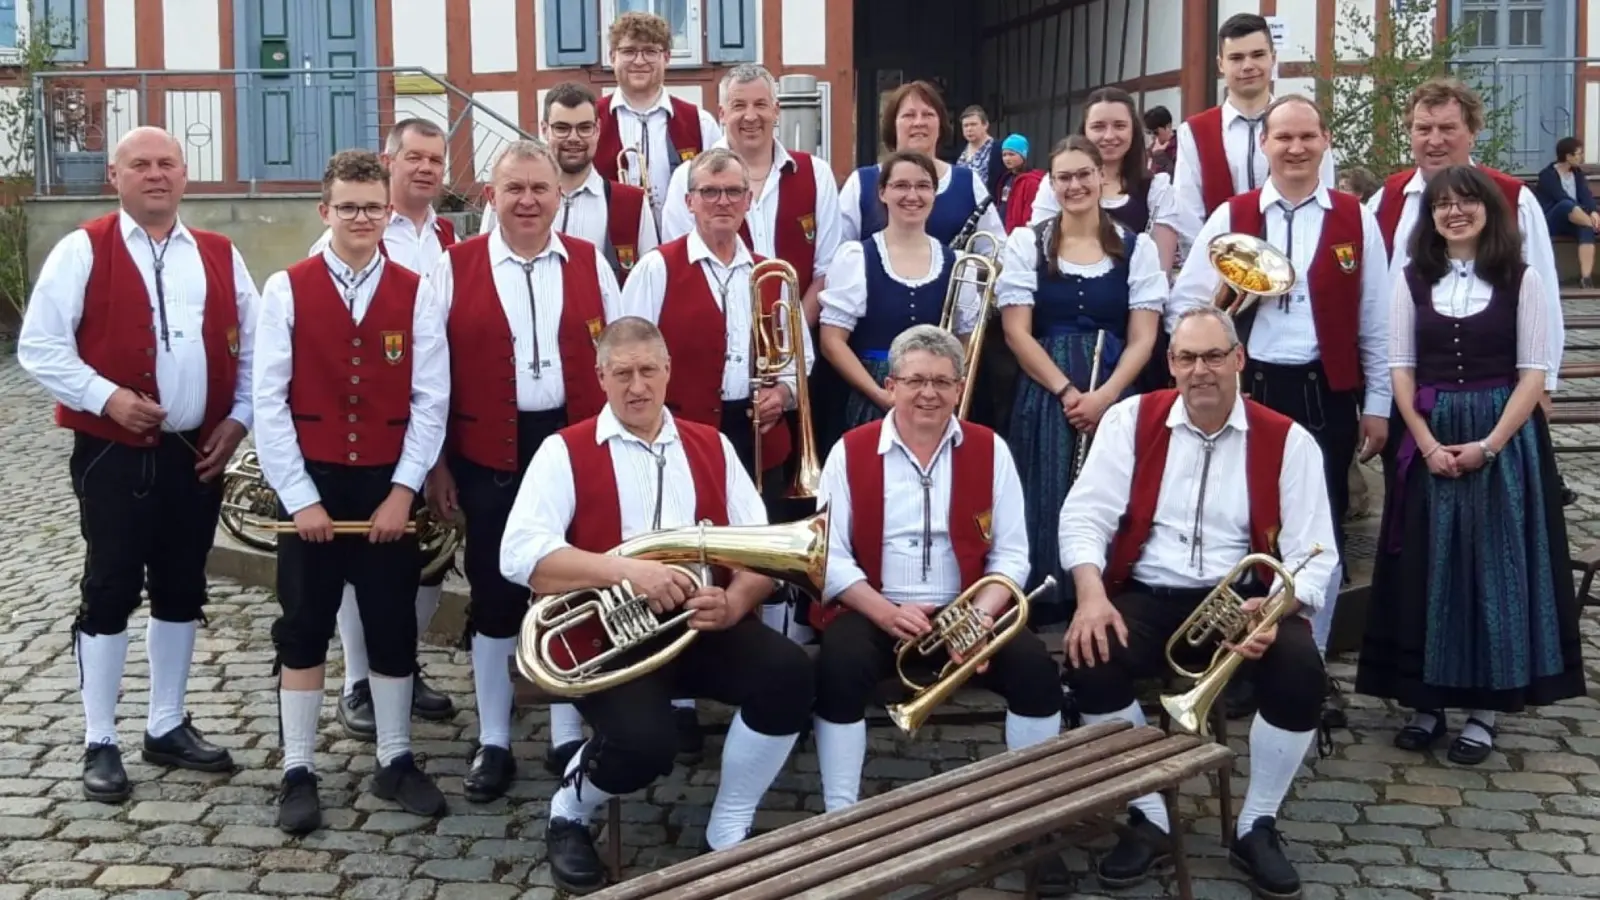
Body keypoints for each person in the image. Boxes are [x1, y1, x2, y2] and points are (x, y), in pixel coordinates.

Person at [500, 316, 813, 894]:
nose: (637, 386)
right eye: (622, 373)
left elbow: (761, 555)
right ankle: (569, 809)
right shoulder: (562, 451)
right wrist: (627, 571)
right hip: (603, 637)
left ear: (668, 372)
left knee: (791, 676)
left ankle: (727, 829)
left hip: (698, 624)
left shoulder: (712, 445)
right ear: (600, 377)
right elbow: (520, 558)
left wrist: (737, 599)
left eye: (648, 370)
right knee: (647, 745)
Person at [1058, 306, 1338, 900]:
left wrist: (1274, 610)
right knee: (1088, 655)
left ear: (1239, 359)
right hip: (1148, 591)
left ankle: (1256, 822)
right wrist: (1088, 594)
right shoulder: (1131, 419)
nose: (1200, 370)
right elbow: (1084, 515)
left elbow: (1316, 557)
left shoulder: (1291, 441)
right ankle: (1151, 815)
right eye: (1186, 358)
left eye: (1214, 356)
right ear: (1171, 365)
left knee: (1299, 669)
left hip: (1241, 602)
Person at [18, 126, 256, 802]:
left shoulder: (218, 253)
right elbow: (40, 347)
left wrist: (237, 421)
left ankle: (167, 723)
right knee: (112, 587)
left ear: (185, 177)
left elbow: (260, 347)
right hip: (112, 454)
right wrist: (108, 397)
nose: (156, 175)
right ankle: (100, 739)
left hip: (196, 453)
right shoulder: (82, 249)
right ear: (116, 176)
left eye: (168, 164)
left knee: (183, 587)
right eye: (141, 165)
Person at [1357, 165, 1586, 763]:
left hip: (1501, 438)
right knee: (1428, 568)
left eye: (1466, 203)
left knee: (1492, 569)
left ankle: (1485, 709)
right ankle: (1426, 702)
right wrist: (1426, 443)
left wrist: (1489, 444)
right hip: (1429, 435)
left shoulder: (1522, 278)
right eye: (1441, 206)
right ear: (1430, 218)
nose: (1454, 212)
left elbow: (1534, 372)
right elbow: (1400, 367)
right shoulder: (1411, 279)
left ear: (1488, 210)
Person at [253, 150, 450, 834]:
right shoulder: (286, 287)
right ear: (325, 211)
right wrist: (300, 495)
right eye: (348, 206)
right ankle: (298, 768)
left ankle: (396, 757)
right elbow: (268, 401)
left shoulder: (416, 288)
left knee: (392, 621)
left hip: (385, 485)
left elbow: (432, 400)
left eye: (372, 206)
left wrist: (404, 490)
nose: (361, 217)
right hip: (314, 479)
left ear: (388, 212)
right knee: (304, 625)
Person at [424, 139, 623, 802]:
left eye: (540, 189)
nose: (529, 201)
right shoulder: (454, 266)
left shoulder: (591, 264)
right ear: (491, 196)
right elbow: (433, 377)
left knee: (573, 590)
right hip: (489, 450)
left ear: (559, 196)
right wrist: (439, 465)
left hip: (573, 447)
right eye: (515, 189)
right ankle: (494, 739)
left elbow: (618, 360)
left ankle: (568, 732)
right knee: (495, 592)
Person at [1167, 96, 1389, 672]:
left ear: (1325, 142)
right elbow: (1183, 308)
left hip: (1325, 391)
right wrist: (1221, 307)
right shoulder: (1231, 216)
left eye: (1306, 137)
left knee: (1321, 529)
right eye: (1283, 138)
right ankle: (1235, 661)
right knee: (1244, 524)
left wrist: (1379, 405)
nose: (1295, 148)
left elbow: (1377, 319)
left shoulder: (1354, 217)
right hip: (1251, 386)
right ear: (1263, 144)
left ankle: (1305, 663)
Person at [307, 119, 458, 742]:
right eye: (414, 157)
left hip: (429, 408)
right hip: (365, 423)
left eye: (435, 159)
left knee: (423, 558)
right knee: (359, 555)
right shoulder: (353, 229)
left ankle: (402, 663)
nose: (425, 168)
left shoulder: (447, 233)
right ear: (387, 161)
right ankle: (356, 682)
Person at [1000, 136, 1164, 608]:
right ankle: (1048, 608)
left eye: (1083, 175)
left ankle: (1110, 603)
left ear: (1101, 177)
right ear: (1051, 184)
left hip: (1114, 389)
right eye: (1064, 177)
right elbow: (1017, 333)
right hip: (1048, 393)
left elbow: (1144, 338)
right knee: (1046, 497)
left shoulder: (1138, 247)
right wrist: (1069, 391)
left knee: (1112, 498)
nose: (1075, 185)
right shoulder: (1028, 243)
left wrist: (1104, 396)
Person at [1368, 78, 1564, 395]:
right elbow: (1373, 301)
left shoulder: (1514, 199)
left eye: (1447, 129)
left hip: (1493, 389)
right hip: (1402, 387)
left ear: (1472, 133)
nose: (1435, 140)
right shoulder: (1385, 200)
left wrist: (1545, 385)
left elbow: (1545, 301)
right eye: (1423, 129)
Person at [661, 64, 842, 321]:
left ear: (776, 110)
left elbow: (827, 270)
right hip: (717, 337)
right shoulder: (688, 176)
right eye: (738, 106)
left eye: (760, 104)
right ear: (722, 114)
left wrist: (791, 335)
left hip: (797, 345)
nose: (750, 116)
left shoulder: (816, 173)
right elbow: (682, 265)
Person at [1158, 14, 1338, 266]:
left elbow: (1324, 196)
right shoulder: (1194, 132)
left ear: (1273, 58)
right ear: (1221, 64)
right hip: (1221, 274)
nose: (1248, 66)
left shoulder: (1307, 123)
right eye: (1236, 58)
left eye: (1257, 55)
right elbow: (1188, 215)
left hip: (1297, 266)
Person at [820, 151, 968, 436]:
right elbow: (832, 342)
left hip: (933, 401)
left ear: (935, 194)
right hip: (872, 399)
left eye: (923, 186)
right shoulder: (856, 257)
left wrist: (941, 389)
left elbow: (963, 340)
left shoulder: (956, 263)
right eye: (901, 185)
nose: (912, 195)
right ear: (882, 192)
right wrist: (881, 394)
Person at [477, 82, 659, 286]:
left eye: (584, 128)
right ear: (545, 129)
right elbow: (484, 267)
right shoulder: (509, 199)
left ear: (597, 129)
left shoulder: (632, 203)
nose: (574, 138)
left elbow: (648, 282)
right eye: (562, 128)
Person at [590, 11, 722, 226]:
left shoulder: (701, 123)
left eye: (650, 51)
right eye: (629, 51)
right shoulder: (590, 120)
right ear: (612, 57)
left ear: (667, 58)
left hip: (683, 248)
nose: (639, 61)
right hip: (611, 249)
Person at [839, 81, 1005, 246]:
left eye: (928, 115)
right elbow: (837, 251)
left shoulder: (968, 182)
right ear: (893, 124)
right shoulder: (861, 183)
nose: (919, 122)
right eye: (909, 115)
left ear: (940, 124)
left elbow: (996, 250)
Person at [1031, 89, 1178, 270]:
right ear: (1084, 130)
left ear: (1133, 131)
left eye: (1119, 126)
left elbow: (1160, 269)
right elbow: (1039, 249)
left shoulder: (1156, 189)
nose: (1109, 136)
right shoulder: (1055, 184)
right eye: (1098, 127)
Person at [1535, 136, 1596, 289]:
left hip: (1575, 219)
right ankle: (1594, 225)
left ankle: (1586, 278)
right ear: (1568, 156)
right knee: (1565, 204)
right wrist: (1587, 215)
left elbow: (1586, 196)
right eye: (1578, 154)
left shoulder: (1577, 174)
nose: (1581, 157)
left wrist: (1594, 212)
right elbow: (1559, 196)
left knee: (1586, 229)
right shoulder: (1547, 175)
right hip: (1551, 221)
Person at [987, 134, 1043, 232]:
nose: (1007, 158)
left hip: (1016, 234)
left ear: (1023, 155)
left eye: (1012, 154)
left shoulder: (1031, 182)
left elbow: (1029, 213)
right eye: (1004, 155)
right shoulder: (1006, 178)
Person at [956, 105, 996, 184]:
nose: (969, 129)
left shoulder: (997, 149)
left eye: (973, 124)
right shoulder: (962, 151)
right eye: (965, 126)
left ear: (985, 125)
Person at [1144, 106, 1175, 178]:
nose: (1152, 136)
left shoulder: (1179, 148)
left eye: (1155, 132)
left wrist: (1159, 155)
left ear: (1168, 127)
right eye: (1149, 132)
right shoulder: (1149, 150)